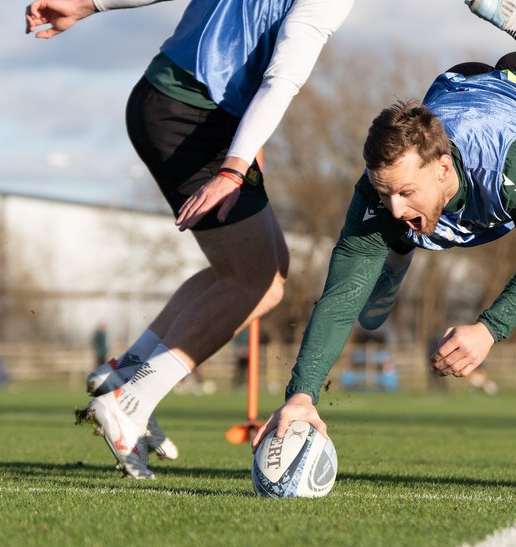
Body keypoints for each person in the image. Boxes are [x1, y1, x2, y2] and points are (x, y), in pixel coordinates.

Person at [257, 1, 516, 447]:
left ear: (444, 169)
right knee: (386, 232)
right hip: (458, 83)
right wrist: (300, 395)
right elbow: (340, 296)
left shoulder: (511, 167)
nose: (392, 204)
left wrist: (489, 329)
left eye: (405, 191)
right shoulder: (380, 188)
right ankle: (399, 248)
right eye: (386, 192)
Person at [26, 0, 353, 478]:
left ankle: (127, 371)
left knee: (263, 268)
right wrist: (234, 167)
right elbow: (282, 77)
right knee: (259, 281)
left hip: (173, 103)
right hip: (192, 118)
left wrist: (91, 3)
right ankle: (130, 400)